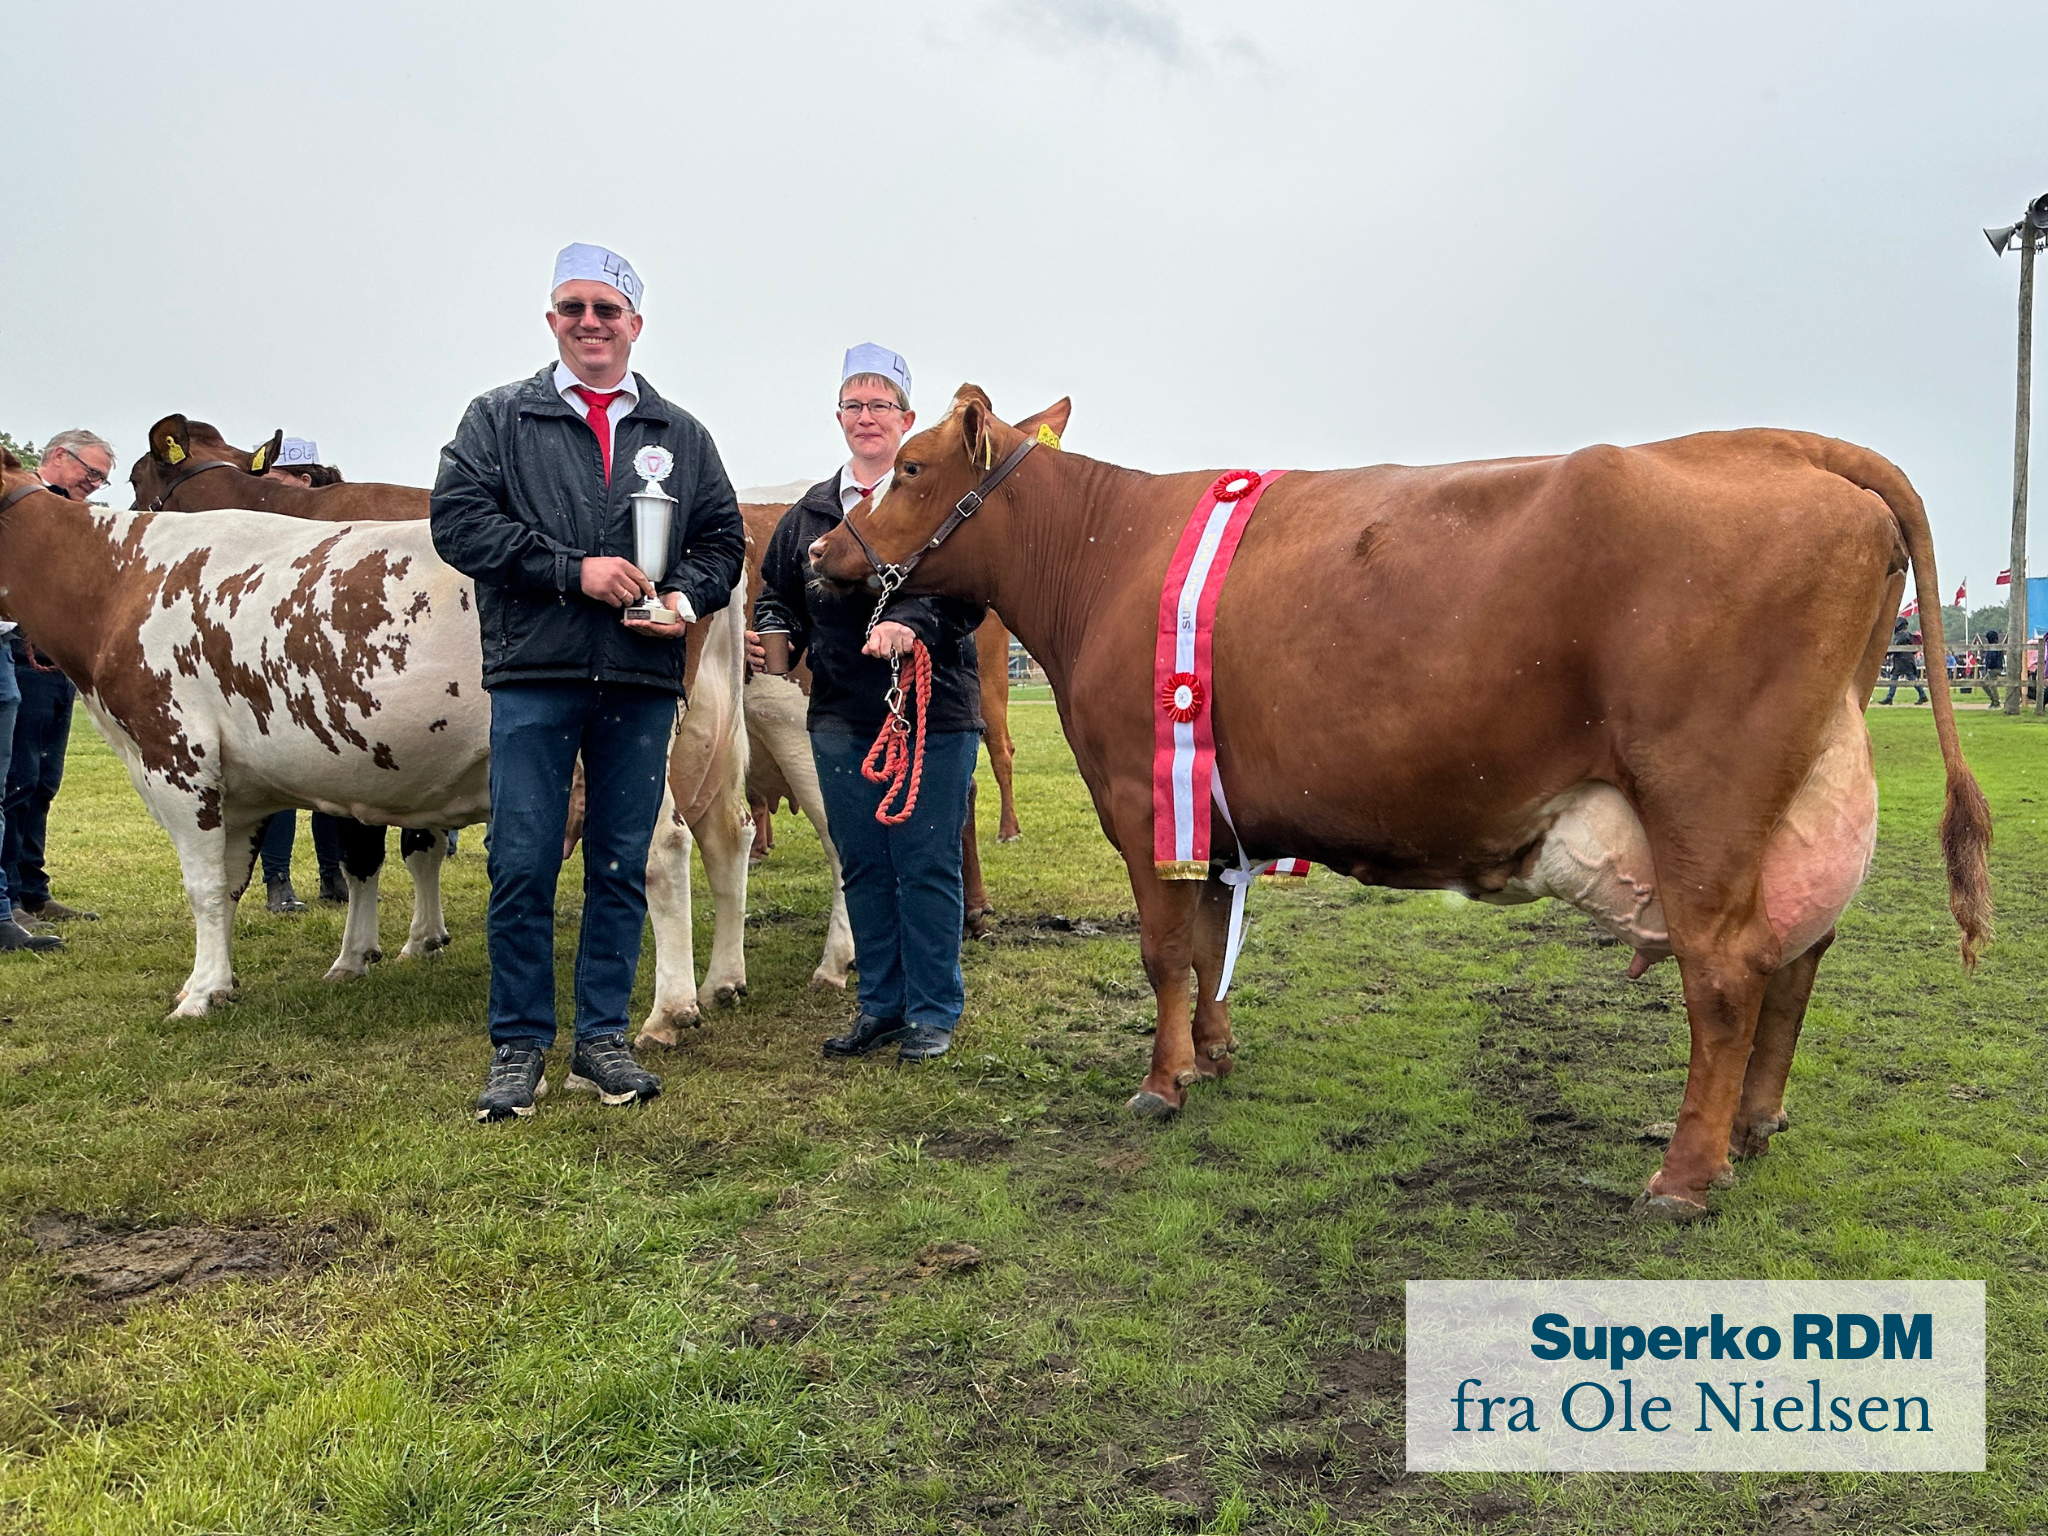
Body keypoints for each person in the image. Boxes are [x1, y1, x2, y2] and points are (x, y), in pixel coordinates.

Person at [432, 243, 745, 1123]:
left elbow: (721, 538)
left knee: (619, 863)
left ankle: (601, 1038)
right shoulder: (499, 418)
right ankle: (518, 1046)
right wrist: (575, 572)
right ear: (551, 322)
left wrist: (685, 594)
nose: (590, 323)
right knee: (521, 861)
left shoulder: (680, 434)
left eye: (606, 310)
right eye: (573, 308)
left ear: (635, 325)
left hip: (642, 676)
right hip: (537, 670)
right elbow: (458, 523)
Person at [750, 345, 984, 1065]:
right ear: (840, 418)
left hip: (932, 713)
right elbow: (775, 592)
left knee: (925, 863)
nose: (867, 417)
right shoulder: (810, 514)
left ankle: (934, 1009)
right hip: (842, 717)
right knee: (862, 865)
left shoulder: (940, 508)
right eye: (855, 405)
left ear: (908, 419)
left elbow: (969, 598)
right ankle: (880, 1005)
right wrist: (775, 634)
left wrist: (909, 626)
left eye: (881, 405)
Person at [2, 430, 116, 946]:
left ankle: (32, 887)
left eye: (100, 479)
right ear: (55, 458)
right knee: (17, 781)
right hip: (21, 654)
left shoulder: (76, 518)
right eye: (88, 473)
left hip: (56, 664)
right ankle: (13, 895)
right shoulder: (22, 508)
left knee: (44, 780)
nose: (92, 485)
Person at [251, 437, 349, 907]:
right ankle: (279, 881)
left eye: (272, 482)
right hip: (277, 660)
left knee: (337, 777)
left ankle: (333, 876)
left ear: (303, 482)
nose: (261, 493)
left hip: (326, 662)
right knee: (282, 782)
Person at [1879, 620, 1926, 706]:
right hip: (1905, 660)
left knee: (1896, 678)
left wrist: (1885, 654)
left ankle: (1890, 697)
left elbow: (1896, 646)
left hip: (1903, 660)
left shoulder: (1902, 634)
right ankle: (1922, 695)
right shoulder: (1906, 634)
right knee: (1907, 677)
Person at [1982, 629, 2005, 709]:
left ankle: (1996, 702)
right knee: (1984, 683)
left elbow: (1992, 658)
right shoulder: (1996, 646)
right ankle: (1993, 699)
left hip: (1993, 668)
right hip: (1994, 668)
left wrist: (1988, 665)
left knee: (1992, 685)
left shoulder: (1993, 647)